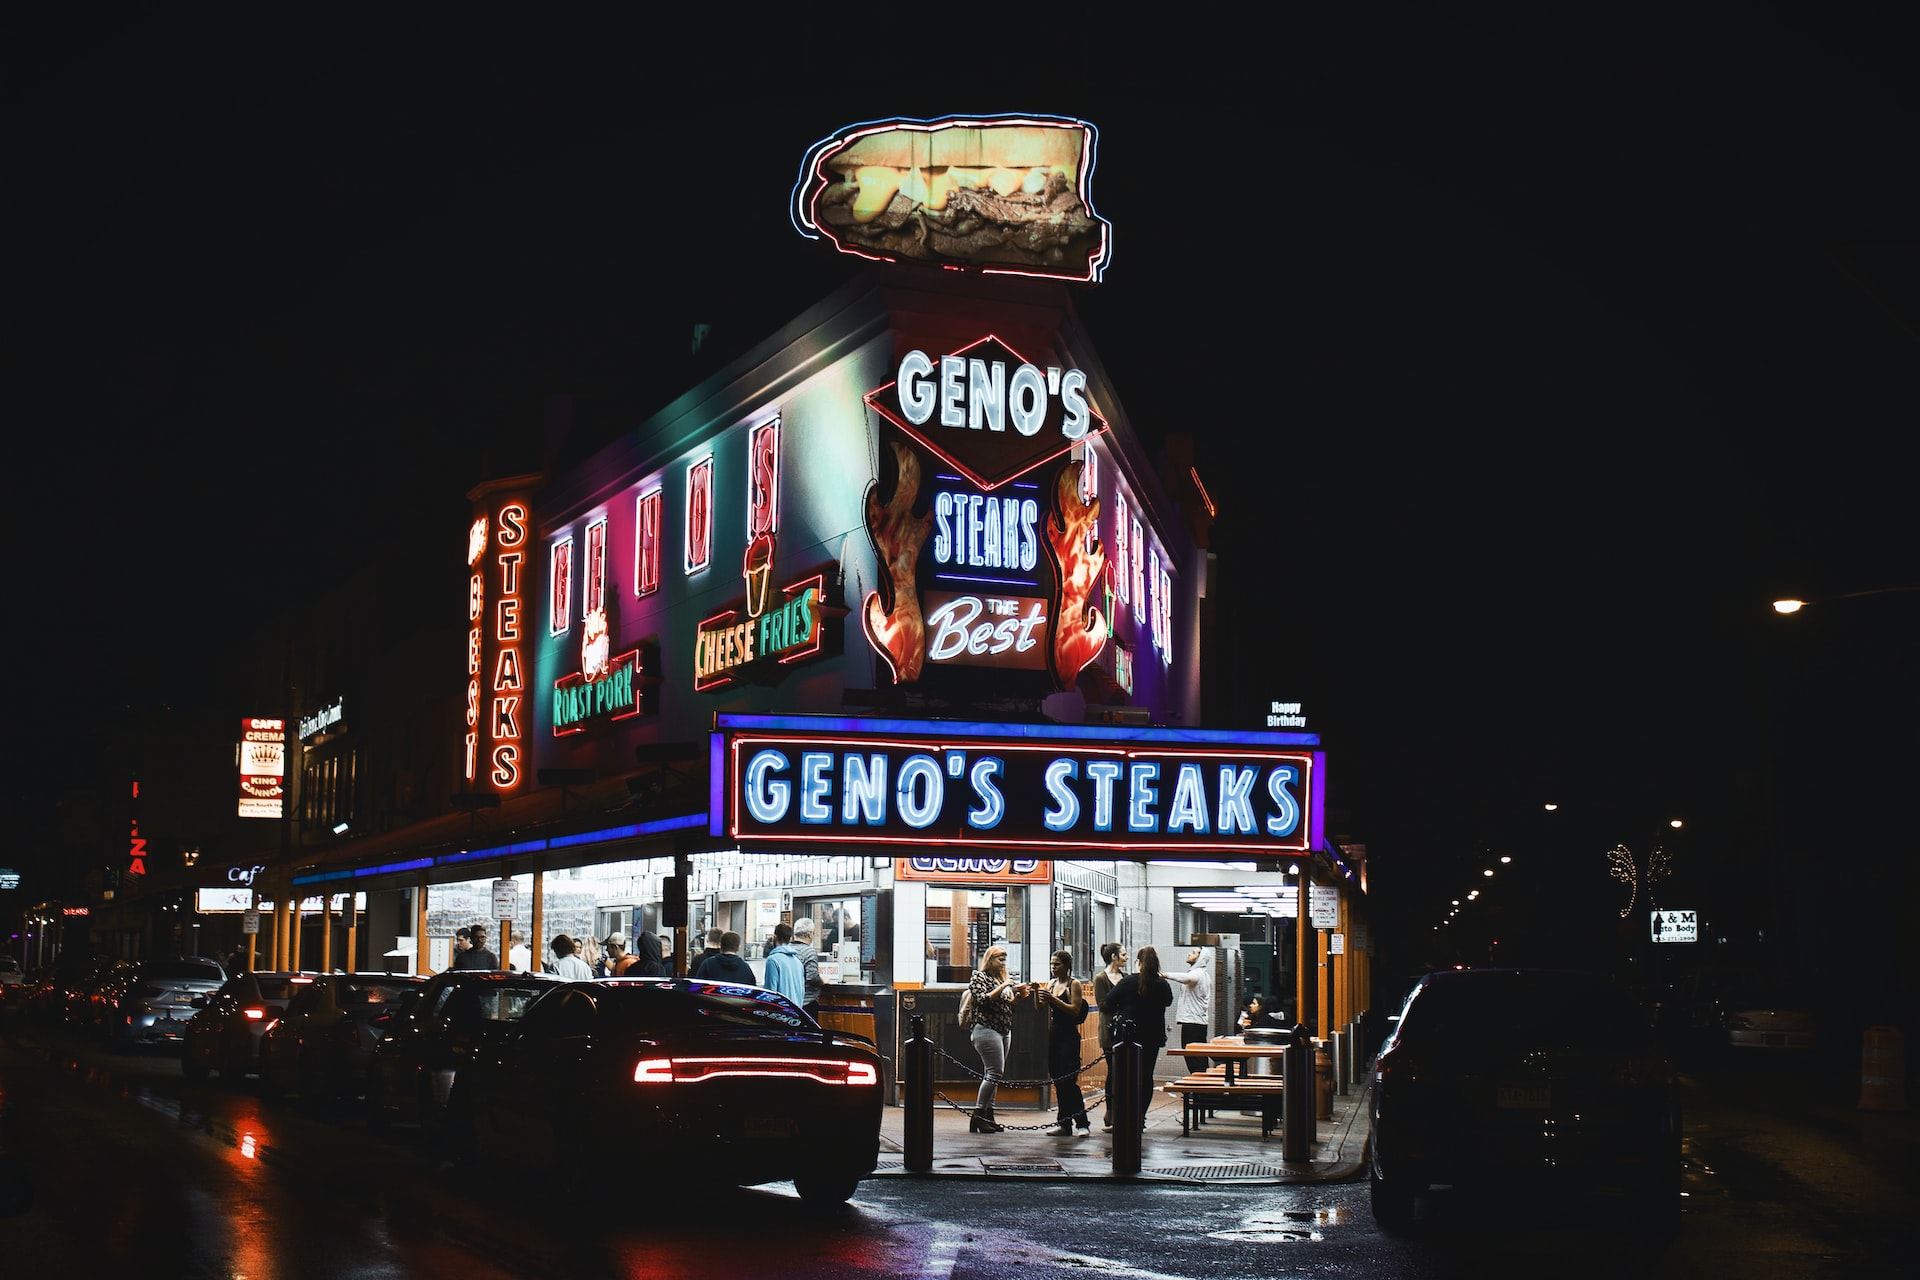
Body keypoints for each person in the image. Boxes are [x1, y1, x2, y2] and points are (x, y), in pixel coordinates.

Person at [1100, 943, 1173, 1130]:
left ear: (1138, 962)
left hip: (1127, 1037)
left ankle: (1123, 1116)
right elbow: (1168, 1001)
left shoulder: (1129, 981)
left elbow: (1107, 1002)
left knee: (1124, 1077)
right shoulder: (1161, 984)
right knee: (1146, 1076)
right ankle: (1140, 1117)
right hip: (1152, 1036)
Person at [964, 945, 1020, 1133]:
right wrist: (1004, 986)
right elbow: (982, 999)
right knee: (995, 1072)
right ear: (989, 960)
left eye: (1004, 959)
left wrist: (1018, 997)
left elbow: (1008, 1007)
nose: (1003, 963)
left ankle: (989, 1115)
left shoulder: (1001, 978)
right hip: (986, 1028)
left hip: (1004, 1029)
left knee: (994, 1074)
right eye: (999, 959)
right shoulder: (979, 977)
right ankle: (978, 1115)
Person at [1035, 949, 1090, 1136]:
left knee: (1069, 1080)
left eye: (1057, 964)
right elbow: (1040, 1008)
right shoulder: (1050, 984)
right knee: (1058, 1079)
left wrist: (1054, 1000)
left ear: (1066, 966)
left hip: (1069, 1035)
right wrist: (1037, 993)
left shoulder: (1073, 984)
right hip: (1054, 1034)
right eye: (1051, 964)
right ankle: (1064, 1123)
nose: (1053, 968)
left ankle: (1082, 1122)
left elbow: (1074, 1010)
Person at [1091, 942, 1127, 1132]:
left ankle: (1122, 1112)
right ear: (1113, 956)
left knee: (1124, 1073)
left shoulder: (1126, 977)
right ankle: (1111, 1112)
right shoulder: (1101, 979)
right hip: (1108, 1031)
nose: (1126, 958)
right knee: (1113, 1072)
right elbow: (1103, 1004)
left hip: (1125, 1032)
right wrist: (1122, 999)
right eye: (1123, 954)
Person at [1168, 946, 1213, 1073]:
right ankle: (1201, 1088)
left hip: (1193, 1023)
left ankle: (1200, 1088)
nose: (1189, 953)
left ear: (1200, 958)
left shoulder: (1197, 974)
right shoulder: (1203, 974)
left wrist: (1164, 975)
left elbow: (1187, 978)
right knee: (1198, 1057)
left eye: (1193, 953)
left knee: (1194, 1058)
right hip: (1198, 1023)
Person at [763, 922, 807, 1007]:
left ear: (775, 937)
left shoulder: (772, 961)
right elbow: (802, 992)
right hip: (796, 1012)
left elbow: (770, 993)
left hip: (780, 1014)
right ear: (790, 939)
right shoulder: (798, 962)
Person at [788, 917, 823, 1016]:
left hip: (789, 1001)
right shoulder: (809, 952)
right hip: (806, 1003)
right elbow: (812, 977)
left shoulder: (786, 949)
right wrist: (823, 981)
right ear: (809, 934)